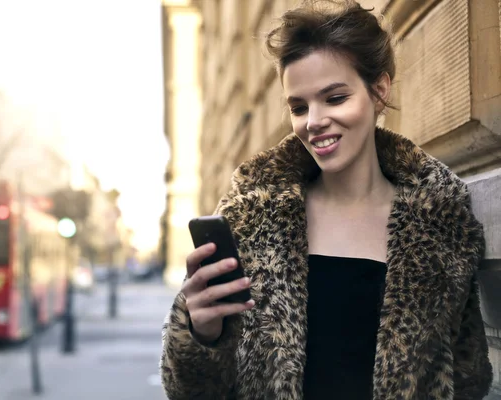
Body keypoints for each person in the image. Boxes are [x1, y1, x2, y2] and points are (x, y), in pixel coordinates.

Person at [159, 1, 493, 399]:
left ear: (379, 90)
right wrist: (201, 333)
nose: (313, 121)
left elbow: (468, 377)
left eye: (334, 98)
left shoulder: (440, 221)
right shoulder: (251, 219)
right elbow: (190, 391)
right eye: (298, 107)